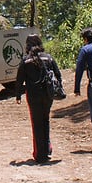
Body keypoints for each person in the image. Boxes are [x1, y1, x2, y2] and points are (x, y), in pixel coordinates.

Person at [15, 34, 62, 163]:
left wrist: (18, 95)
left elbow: (19, 79)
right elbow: (58, 74)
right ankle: (46, 150)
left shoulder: (26, 60)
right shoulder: (49, 58)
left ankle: (40, 155)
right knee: (45, 121)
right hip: (48, 95)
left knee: (37, 124)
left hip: (33, 95)